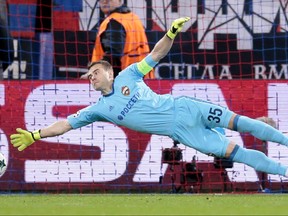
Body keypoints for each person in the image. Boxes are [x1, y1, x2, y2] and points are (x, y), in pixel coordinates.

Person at [10, 17, 288, 178]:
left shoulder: (129, 75)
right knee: (238, 154)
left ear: (109, 73)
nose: (91, 77)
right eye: (89, 75)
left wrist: (170, 33)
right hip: (182, 131)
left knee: (241, 123)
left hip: (187, 106)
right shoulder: (99, 109)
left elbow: (156, 54)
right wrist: (36, 135)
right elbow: (65, 125)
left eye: (94, 72)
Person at [81, 0, 154, 79]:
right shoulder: (133, 17)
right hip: (142, 78)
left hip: (124, 82)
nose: (104, 1)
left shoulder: (114, 22)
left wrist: (95, 73)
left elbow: (113, 54)